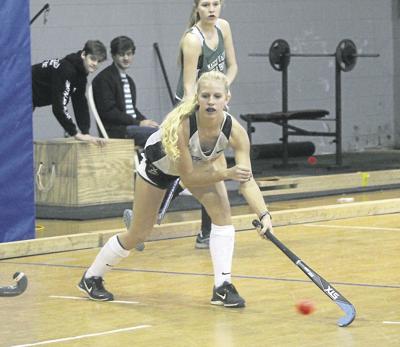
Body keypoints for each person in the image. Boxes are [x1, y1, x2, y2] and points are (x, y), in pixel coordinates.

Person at [78, 71, 273, 308]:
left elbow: (247, 179)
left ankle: (222, 287)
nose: (211, 101)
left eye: (217, 96)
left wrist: (264, 215)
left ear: (227, 98)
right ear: (197, 99)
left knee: (223, 216)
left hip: (198, 166)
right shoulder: (183, 126)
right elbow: (189, 177)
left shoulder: (235, 131)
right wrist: (226, 173)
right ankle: (92, 277)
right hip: (158, 168)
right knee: (139, 233)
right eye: (205, 96)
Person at [175, 0, 239, 249]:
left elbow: (232, 66)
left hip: (214, 103)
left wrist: (221, 90)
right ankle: (149, 211)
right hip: (192, 105)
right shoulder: (192, 39)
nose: (211, 9)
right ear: (197, 8)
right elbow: (190, 86)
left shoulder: (224, 27)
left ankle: (206, 232)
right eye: (205, 4)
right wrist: (200, 114)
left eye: (216, 3)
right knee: (191, 169)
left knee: (212, 169)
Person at [32, 40, 107, 145]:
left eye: (99, 61)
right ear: (83, 54)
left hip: (30, 99)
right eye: (93, 59)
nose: (95, 64)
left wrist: (86, 132)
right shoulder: (67, 70)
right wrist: (75, 133)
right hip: (20, 89)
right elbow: (58, 107)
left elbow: (80, 104)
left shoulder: (80, 77)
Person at [92, 36, 159, 146]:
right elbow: (109, 112)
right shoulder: (104, 79)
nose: (126, 58)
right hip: (116, 131)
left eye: (129, 54)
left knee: (163, 131)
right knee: (159, 136)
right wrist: (139, 123)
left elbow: (131, 110)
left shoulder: (129, 81)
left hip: (130, 127)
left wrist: (146, 122)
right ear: (113, 56)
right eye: (121, 54)